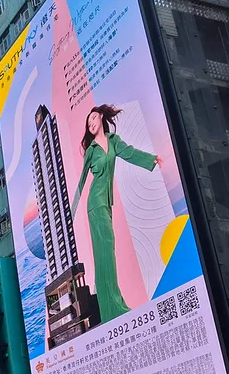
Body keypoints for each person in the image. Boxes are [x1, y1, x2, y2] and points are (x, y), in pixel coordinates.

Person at [70, 104, 164, 323]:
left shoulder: (113, 142)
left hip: (106, 204)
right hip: (95, 204)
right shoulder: (92, 150)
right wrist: (70, 213)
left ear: (101, 117)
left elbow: (129, 153)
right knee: (105, 253)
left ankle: (110, 308)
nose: (91, 123)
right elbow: (82, 180)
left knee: (106, 254)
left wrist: (151, 159)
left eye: (93, 118)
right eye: (88, 122)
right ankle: (113, 307)